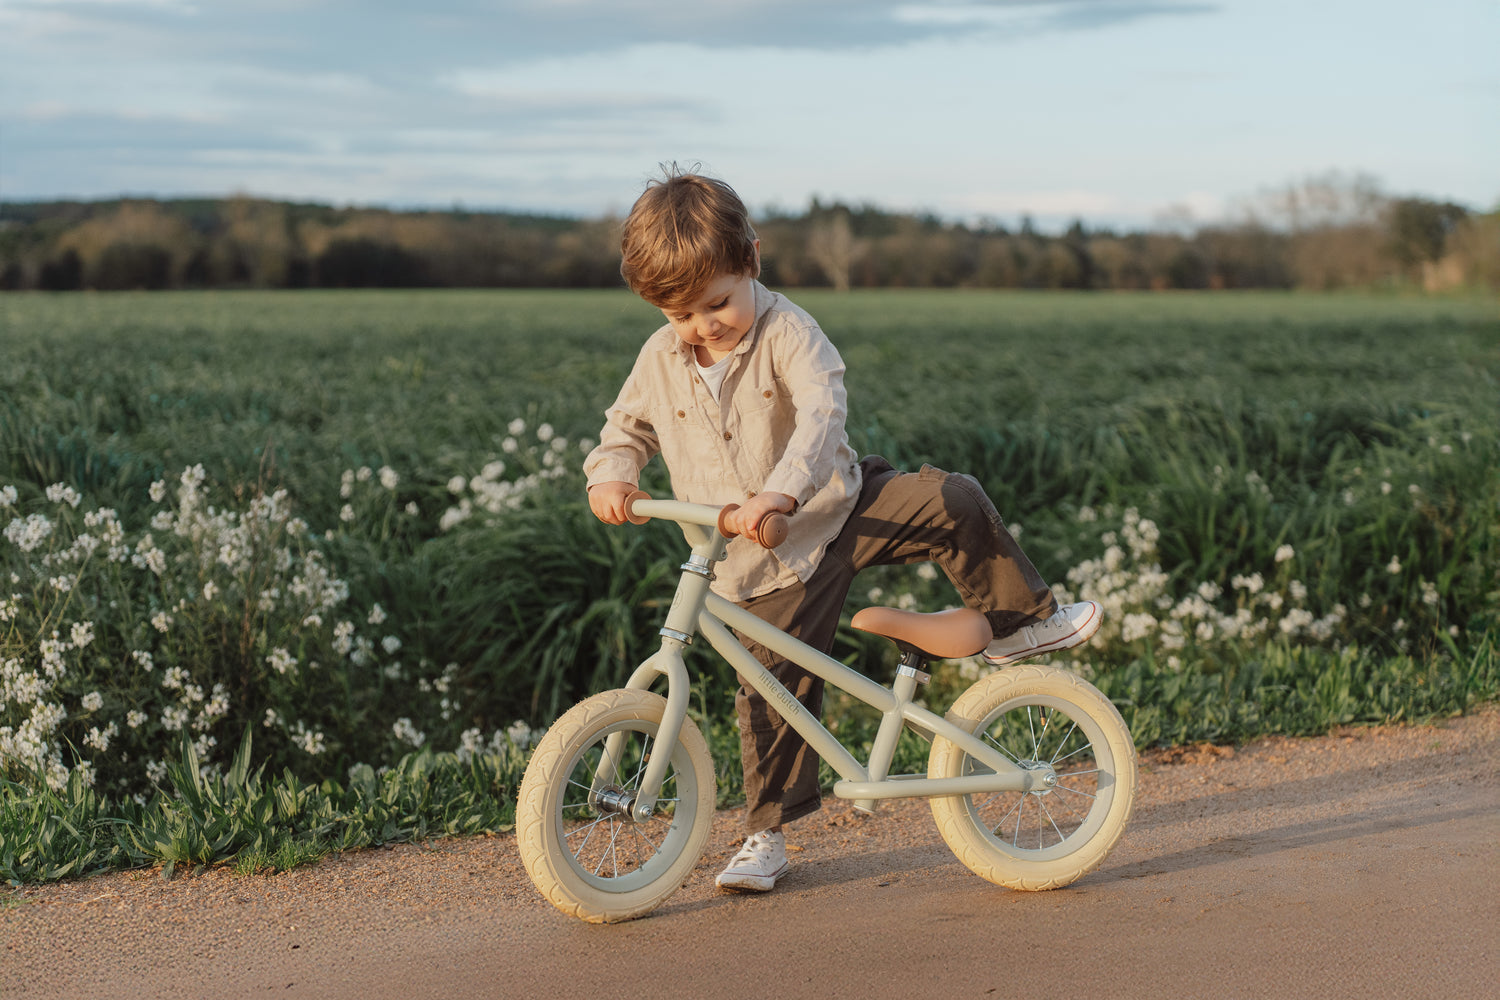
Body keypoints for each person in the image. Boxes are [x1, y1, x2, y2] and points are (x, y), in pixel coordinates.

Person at [584, 168, 1101, 893]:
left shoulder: (790, 331)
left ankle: (1020, 622)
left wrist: (781, 492)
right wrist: (611, 475)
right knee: (769, 692)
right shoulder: (659, 359)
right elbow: (625, 427)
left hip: (836, 508)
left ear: (752, 262)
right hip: (754, 561)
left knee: (950, 497)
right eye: (681, 316)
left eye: (717, 304)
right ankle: (765, 836)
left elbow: (823, 416)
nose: (703, 327)